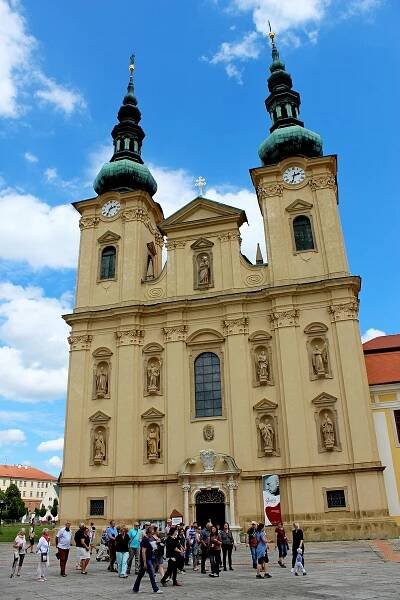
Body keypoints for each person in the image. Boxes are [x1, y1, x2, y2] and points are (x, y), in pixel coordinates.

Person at [132, 525, 162, 594]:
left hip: (149, 558)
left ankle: (135, 588)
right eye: (151, 533)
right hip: (146, 559)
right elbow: (143, 552)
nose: (152, 534)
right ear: (149, 533)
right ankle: (155, 589)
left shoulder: (148, 538)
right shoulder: (145, 539)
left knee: (140, 575)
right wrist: (144, 562)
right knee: (151, 574)